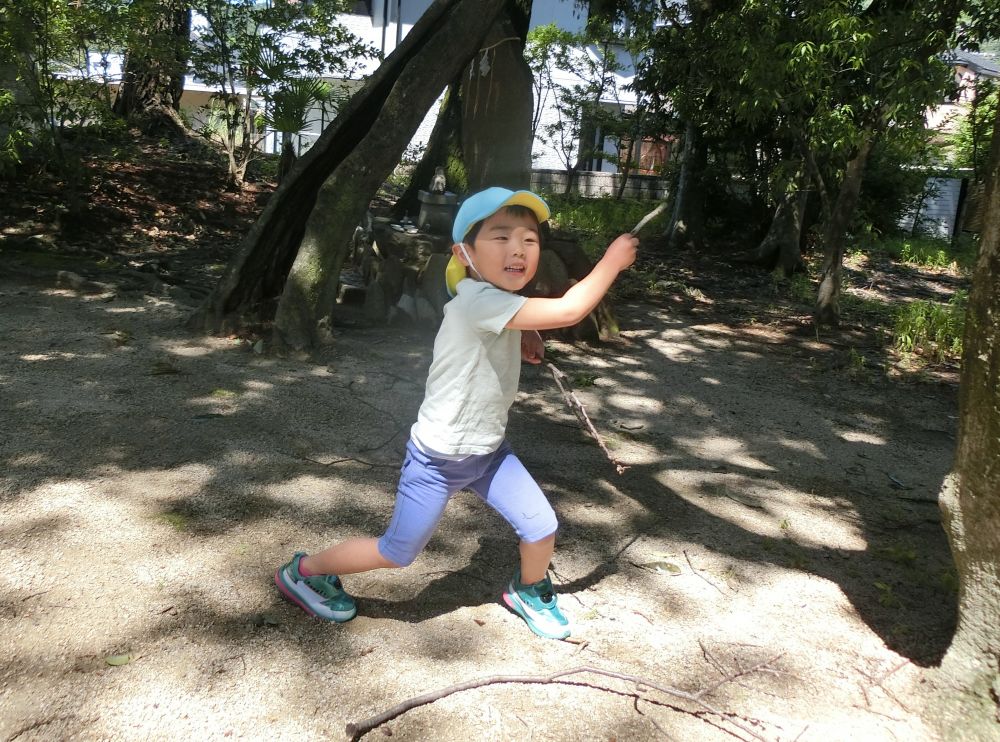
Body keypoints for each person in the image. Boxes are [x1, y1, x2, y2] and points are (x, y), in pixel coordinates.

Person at [275, 187, 638, 639]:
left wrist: (526, 336)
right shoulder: (478, 301)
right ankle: (305, 571)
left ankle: (526, 589)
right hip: (439, 461)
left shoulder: (493, 299)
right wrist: (611, 262)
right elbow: (569, 309)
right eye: (500, 237)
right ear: (464, 253)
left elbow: (510, 324)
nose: (518, 250)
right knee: (397, 551)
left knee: (542, 527)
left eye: (529, 240)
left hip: (488, 453)